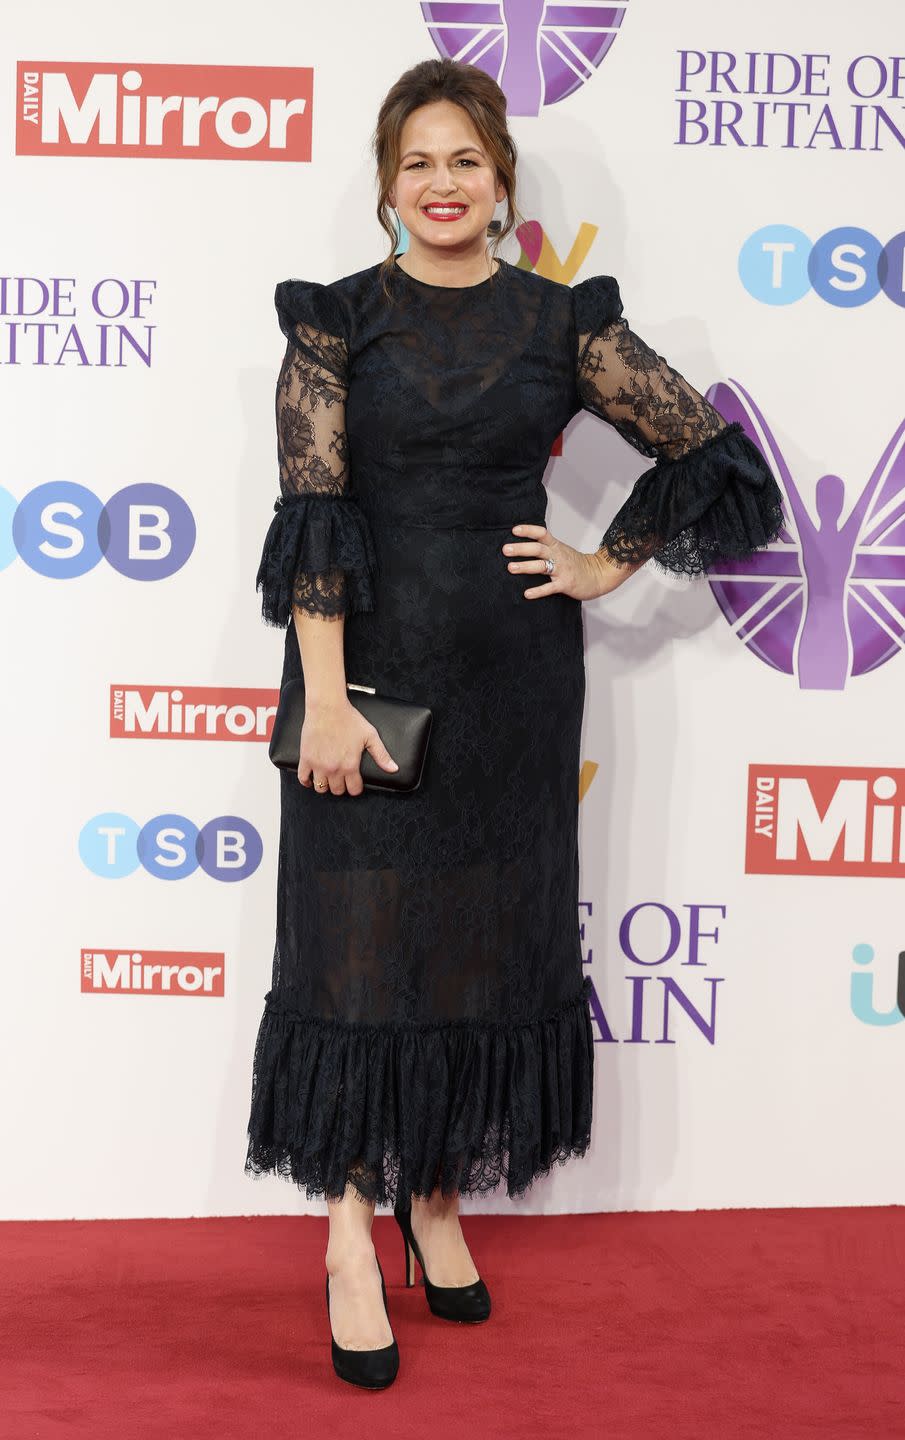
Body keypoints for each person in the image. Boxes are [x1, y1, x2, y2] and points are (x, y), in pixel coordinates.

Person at [244, 57, 784, 1390]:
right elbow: (314, 519)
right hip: (364, 682)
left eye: (464, 162)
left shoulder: (559, 324)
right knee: (354, 960)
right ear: (386, 185)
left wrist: (604, 564)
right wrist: (320, 692)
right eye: (417, 162)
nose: (441, 184)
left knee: (480, 947)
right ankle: (350, 1237)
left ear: (500, 183)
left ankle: (435, 1199)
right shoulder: (336, 326)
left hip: (514, 685)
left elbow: (709, 456)